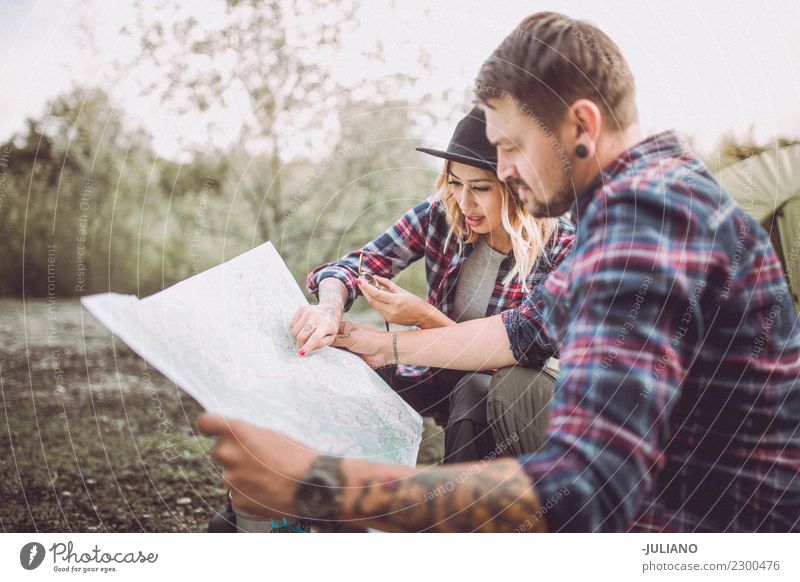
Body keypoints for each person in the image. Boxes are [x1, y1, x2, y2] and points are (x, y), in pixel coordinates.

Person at [199, 12, 800, 532]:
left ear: (582, 128)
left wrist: (323, 485)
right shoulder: (649, 196)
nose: (505, 170)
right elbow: (524, 333)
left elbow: (582, 484)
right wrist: (378, 342)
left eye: (510, 147)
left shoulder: (645, 225)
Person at [293, 106, 573, 464]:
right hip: (431, 370)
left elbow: (514, 357)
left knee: (476, 391)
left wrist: (423, 317)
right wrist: (329, 308)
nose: (463, 201)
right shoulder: (441, 214)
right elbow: (353, 266)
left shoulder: (564, 248)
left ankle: (458, 512)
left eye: (481, 188)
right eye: (455, 182)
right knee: (331, 361)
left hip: (502, 390)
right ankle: (281, 501)